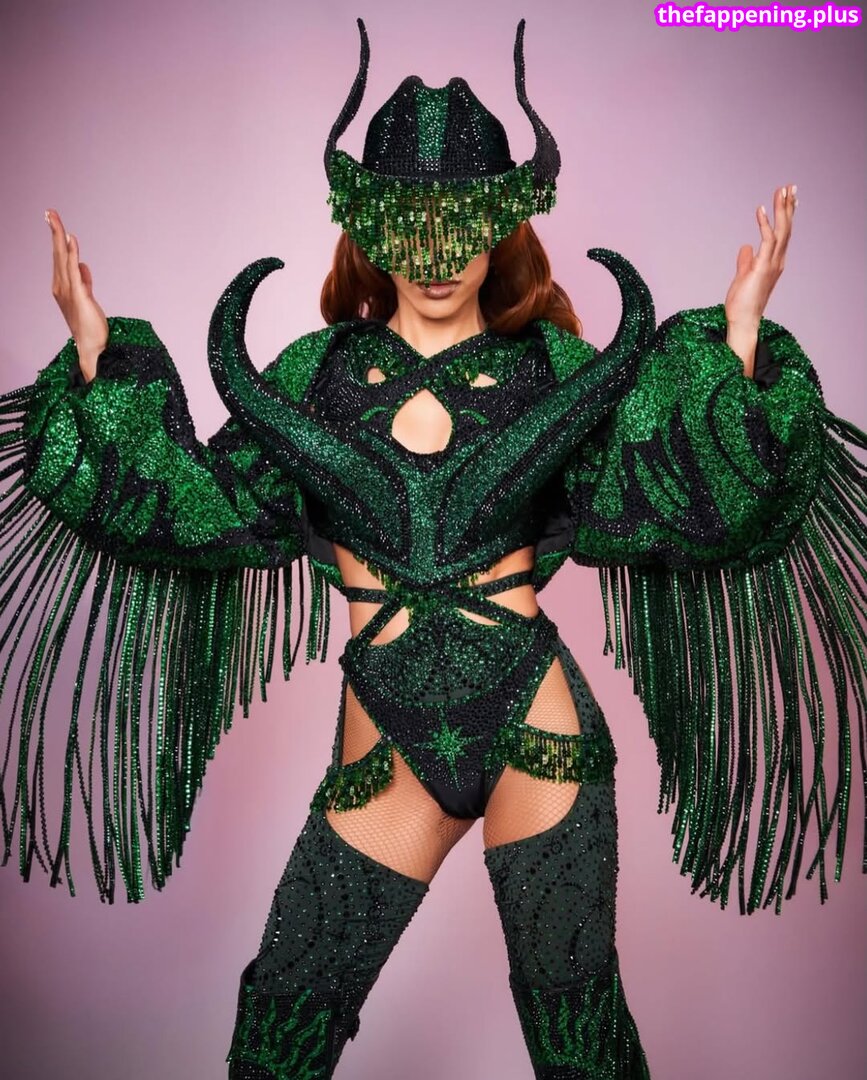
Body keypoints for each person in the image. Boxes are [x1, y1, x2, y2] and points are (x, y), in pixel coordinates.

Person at [1, 18, 864, 1080]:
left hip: (538, 732)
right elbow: (208, 507)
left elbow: (655, 486)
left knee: (579, 1044)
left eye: (462, 223)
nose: (439, 253)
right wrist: (98, 360)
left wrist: (734, 344)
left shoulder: (551, 367)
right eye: (411, 224)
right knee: (279, 1034)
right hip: (386, 757)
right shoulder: (317, 372)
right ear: (370, 227)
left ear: (502, 225)